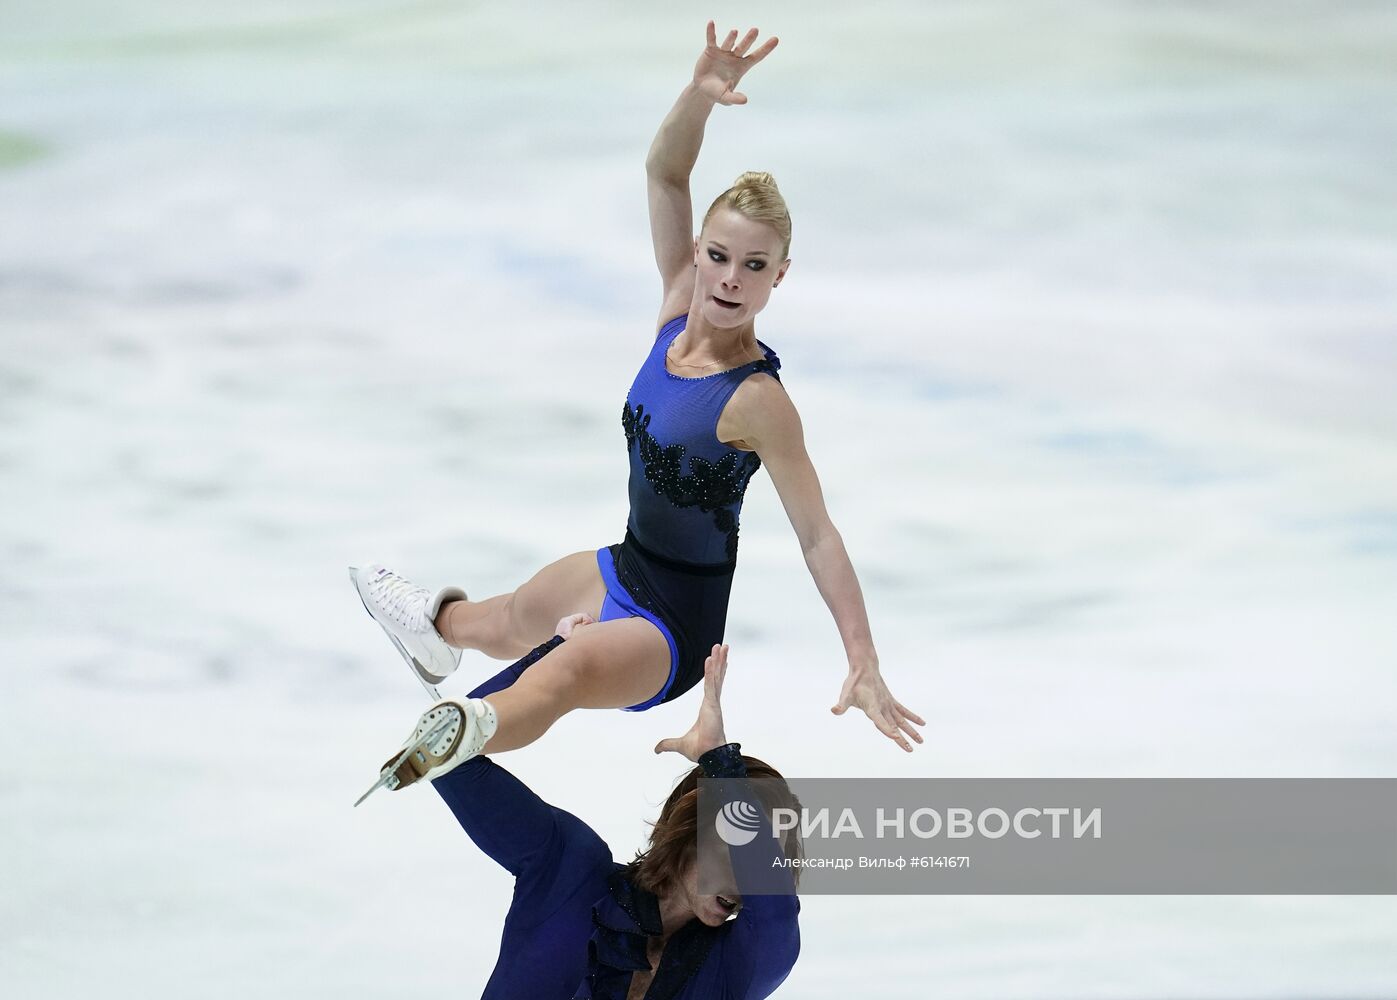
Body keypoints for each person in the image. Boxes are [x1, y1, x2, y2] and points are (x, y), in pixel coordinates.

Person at [350, 22, 923, 765]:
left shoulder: (755, 398)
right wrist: (699, 96)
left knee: (566, 667)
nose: (728, 278)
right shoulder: (677, 308)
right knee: (510, 616)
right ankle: (436, 635)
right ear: (697, 253)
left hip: (673, 628)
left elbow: (817, 534)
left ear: (779, 275)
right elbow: (665, 175)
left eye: (753, 266)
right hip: (624, 565)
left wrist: (862, 656)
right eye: (718, 256)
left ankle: (469, 730)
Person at [376, 638, 803, 999]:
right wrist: (557, 657)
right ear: (687, 831)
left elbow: (776, 915)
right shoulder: (570, 867)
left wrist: (721, 765)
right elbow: (451, 755)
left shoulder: (734, 966)